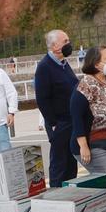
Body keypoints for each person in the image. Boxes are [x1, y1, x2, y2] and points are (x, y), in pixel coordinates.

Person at [69, 46, 106, 178]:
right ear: (96, 64)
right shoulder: (86, 85)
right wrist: (83, 146)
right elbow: (76, 116)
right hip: (96, 145)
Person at [34, 29, 76, 186]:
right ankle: (56, 197)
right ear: (53, 46)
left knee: (71, 163)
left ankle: (71, 194)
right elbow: (42, 98)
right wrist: (53, 123)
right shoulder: (45, 67)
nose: (69, 44)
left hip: (71, 121)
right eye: (65, 41)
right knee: (59, 163)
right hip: (59, 123)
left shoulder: (64, 64)